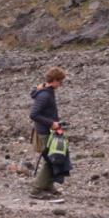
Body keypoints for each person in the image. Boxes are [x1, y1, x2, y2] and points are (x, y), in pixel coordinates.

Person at [29, 66, 66, 199]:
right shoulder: (44, 95)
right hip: (45, 132)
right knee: (51, 160)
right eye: (61, 82)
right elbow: (33, 114)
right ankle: (36, 190)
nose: (61, 85)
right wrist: (52, 123)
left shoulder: (46, 91)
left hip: (48, 131)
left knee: (53, 159)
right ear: (54, 80)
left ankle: (48, 185)